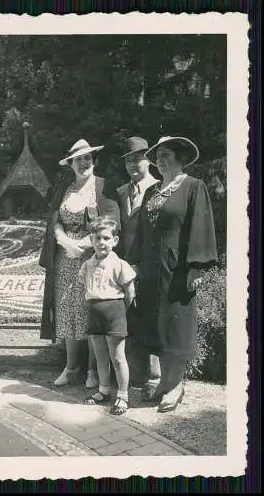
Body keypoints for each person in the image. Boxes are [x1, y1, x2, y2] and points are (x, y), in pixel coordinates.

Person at [128, 136, 218, 413]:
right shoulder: (152, 192)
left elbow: (200, 226)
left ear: (180, 157)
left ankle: (175, 386)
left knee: (176, 328)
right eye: (157, 155)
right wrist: (135, 264)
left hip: (177, 271)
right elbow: (141, 232)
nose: (159, 159)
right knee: (154, 326)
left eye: (165, 154)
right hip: (151, 272)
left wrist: (196, 267)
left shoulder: (193, 187)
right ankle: (164, 383)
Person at [39, 139, 121, 388]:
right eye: (79, 159)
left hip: (93, 256)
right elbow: (54, 220)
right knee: (68, 311)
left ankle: (92, 372)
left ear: (94, 161)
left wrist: (84, 245)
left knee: (90, 311)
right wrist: (66, 243)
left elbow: (111, 220)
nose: (84, 163)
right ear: (71, 164)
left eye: (88, 158)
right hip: (65, 258)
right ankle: (71, 368)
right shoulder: (64, 188)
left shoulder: (104, 187)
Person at [116, 136, 162, 399]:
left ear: (149, 160)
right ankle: (135, 377)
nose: (134, 164)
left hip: (150, 266)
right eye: (129, 160)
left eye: (138, 158)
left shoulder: (159, 188)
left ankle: (155, 379)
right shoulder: (121, 192)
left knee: (151, 319)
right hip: (124, 266)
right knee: (130, 320)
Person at [79, 216, 137, 415]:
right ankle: (104, 390)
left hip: (115, 312)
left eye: (106, 238)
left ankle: (123, 396)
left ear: (115, 241)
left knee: (118, 357)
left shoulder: (120, 264)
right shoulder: (88, 265)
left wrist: (121, 313)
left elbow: (130, 293)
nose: (101, 242)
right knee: (99, 355)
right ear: (91, 240)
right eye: (97, 238)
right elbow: (85, 285)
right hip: (94, 312)